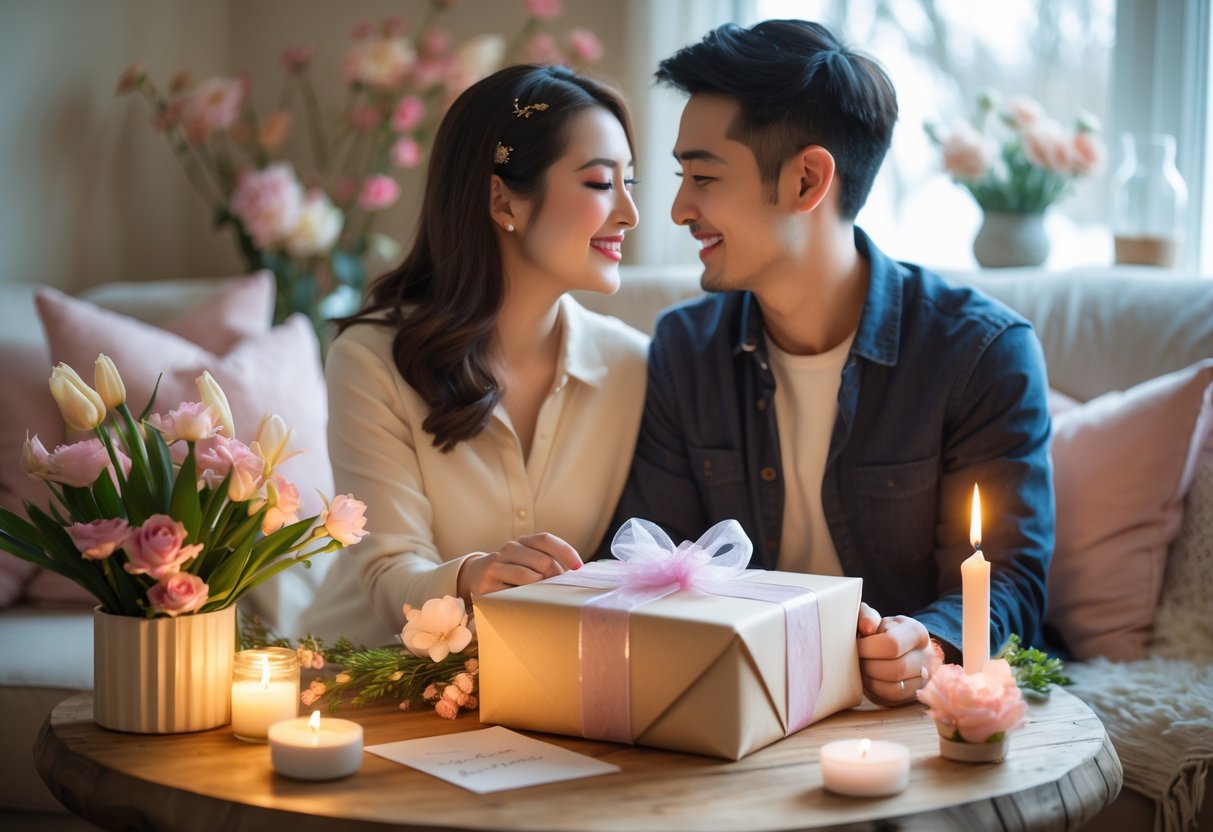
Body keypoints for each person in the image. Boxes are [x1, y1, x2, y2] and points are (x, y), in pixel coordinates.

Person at [605, 20, 1054, 706]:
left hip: (908, 714)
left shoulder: (980, 354)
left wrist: (926, 645)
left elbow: (1009, 584)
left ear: (807, 178)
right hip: (741, 705)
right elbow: (653, 565)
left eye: (701, 175)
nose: (676, 208)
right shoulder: (683, 351)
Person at [302, 64, 645, 647]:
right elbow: (387, 567)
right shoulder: (371, 359)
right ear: (501, 198)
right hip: (356, 676)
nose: (628, 214)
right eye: (598, 183)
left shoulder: (634, 366)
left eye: (630, 183)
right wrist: (470, 579)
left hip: (524, 694)